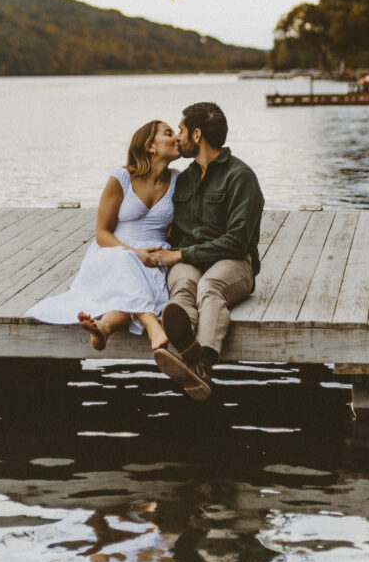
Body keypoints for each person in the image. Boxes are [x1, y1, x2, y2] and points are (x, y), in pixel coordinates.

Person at [24, 120, 179, 352]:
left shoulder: (178, 179)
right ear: (150, 146)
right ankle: (151, 325)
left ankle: (104, 327)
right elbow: (102, 234)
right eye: (169, 133)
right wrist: (134, 252)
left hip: (154, 255)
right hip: (115, 252)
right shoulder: (121, 178)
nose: (177, 137)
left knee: (129, 293)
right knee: (128, 265)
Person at [150, 102, 264, 400]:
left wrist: (179, 255)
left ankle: (202, 363)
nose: (178, 137)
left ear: (197, 134)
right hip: (191, 260)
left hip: (234, 263)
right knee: (184, 284)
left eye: (182, 130)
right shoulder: (184, 179)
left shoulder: (241, 177)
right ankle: (190, 348)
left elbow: (237, 242)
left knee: (209, 287)